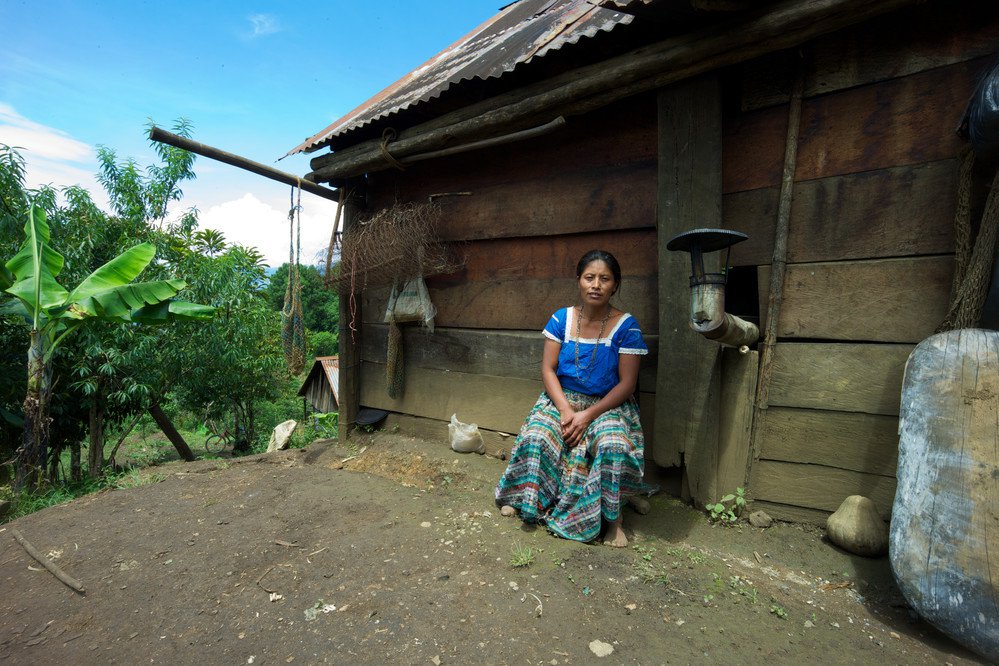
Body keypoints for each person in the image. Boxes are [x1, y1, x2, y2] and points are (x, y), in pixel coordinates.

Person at [495, 249, 648, 546]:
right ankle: (524, 497)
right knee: (539, 435)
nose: (596, 284)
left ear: (615, 285)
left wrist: (587, 415)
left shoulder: (626, 327)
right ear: (578, 280)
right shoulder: (561, 319)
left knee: (613, 444)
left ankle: (613, 521)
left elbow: (627, 384)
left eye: (604, 279)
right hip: (562, 399)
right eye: (589, 277)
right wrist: (565, 409)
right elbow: (548, 369)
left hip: (608, 405)